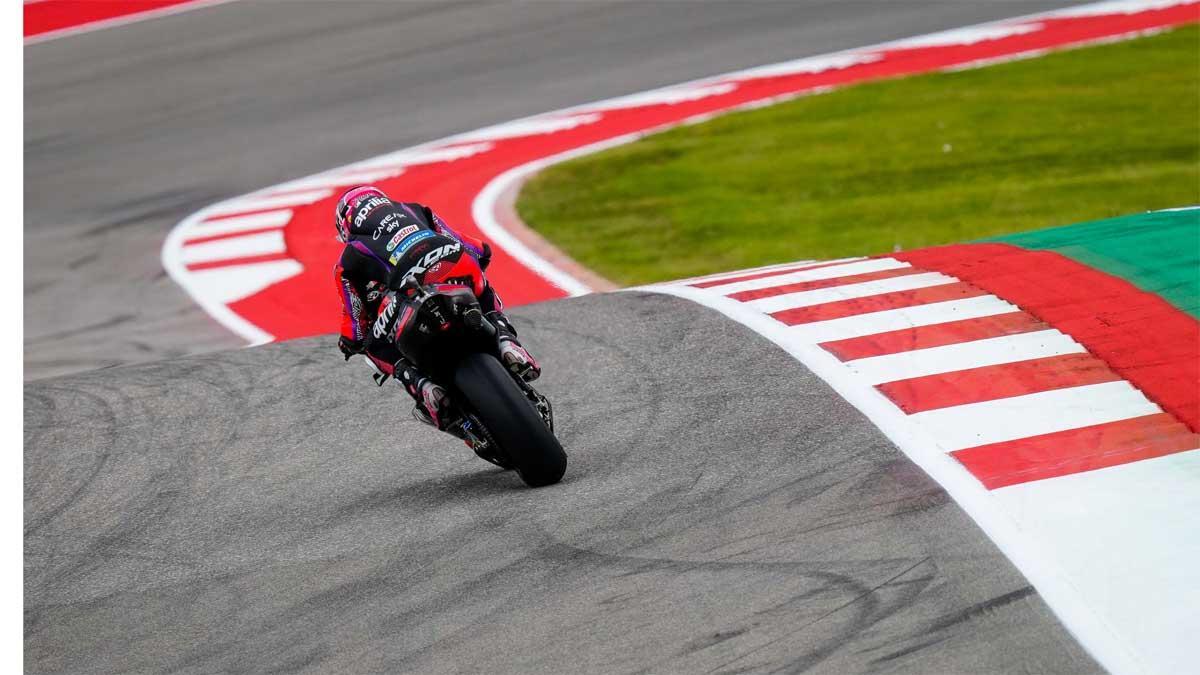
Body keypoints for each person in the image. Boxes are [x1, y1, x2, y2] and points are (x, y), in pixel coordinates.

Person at [332, 185, 539, 432]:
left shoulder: (348, 257)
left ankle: (424, 387)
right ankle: (506, 340)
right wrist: (481, 255)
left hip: (407, 291)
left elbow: (354, 322)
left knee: (373, 346)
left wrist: (351, 343)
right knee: (482, 287)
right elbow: (470, 246)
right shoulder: (415, 210)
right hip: (451, 261)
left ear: (345, 224)